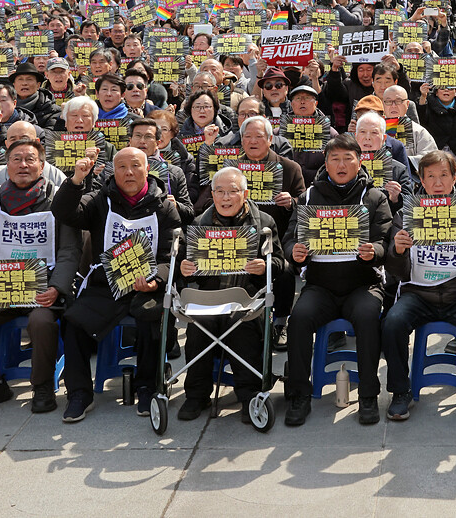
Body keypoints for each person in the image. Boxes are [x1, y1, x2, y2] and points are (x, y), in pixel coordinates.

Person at [53, 146, 184, 422]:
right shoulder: (100, 200)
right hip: (106, 285)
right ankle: (79, 392)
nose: (129, 172)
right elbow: (65, 213)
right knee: (73, 320)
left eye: (135, 165)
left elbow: (170, 255)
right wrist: (76, 180)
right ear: (114, 171)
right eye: (122, 167)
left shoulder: (164, 206)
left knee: (153, 317)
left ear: (147, 169)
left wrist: (155, 280)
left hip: (146, 284)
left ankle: (148, 385)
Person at [0, 139, 80, 414]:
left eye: (30, 159)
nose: (23, 165)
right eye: (16, 159)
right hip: (2, 286)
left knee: (41, 322)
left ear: (43, 165)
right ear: (7, 166)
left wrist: (58, 287)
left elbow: (71, 250)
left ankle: (42, 384)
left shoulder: (59, 198)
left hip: (42, 287)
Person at [283, 134, 393, 426]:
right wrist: (294, 252)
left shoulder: (374, 197)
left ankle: (369, 395)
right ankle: (299, 394)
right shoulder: (309, 197)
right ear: (326, 163)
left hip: (363, 283)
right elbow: (289, 239)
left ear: (360, 161)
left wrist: (376, 251)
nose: (341, 164)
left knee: (369, 317)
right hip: (320, 285)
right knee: (299, 319)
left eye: (348, 158)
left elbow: (387, 240)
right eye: (335, 159)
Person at [382, 151, 456, 422]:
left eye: (444, 174)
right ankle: (400, 391)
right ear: (421, 179)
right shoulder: (407, 213)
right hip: (417, 294)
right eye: (430, 176)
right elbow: (392, 268)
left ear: (455, 177)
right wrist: (396, 251)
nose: (438, 181)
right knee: (392, 323)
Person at [176, 166, 283, 423]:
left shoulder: (264, 223)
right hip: (209, 295)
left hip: (246, 295)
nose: (225, 198)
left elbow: (282, 264)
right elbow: (183, 268)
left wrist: (266, 266)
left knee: (242, 327)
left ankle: (249, 395)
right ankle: (196, 394)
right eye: (219, 192)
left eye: (232, 191)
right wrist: (185, 268)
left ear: (245, 193)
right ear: (211, 195)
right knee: (198, 327)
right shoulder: (198, 223)